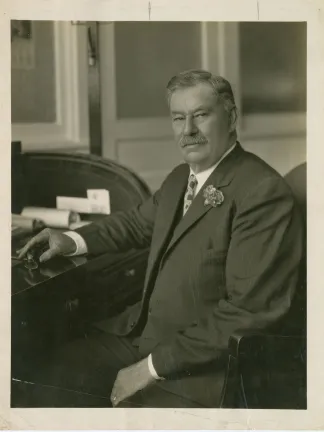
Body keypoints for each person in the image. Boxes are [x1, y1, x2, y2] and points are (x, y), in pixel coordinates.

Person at [17, 69, 304, 408]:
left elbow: (247, 311)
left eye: (200, 115)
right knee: (44, 373)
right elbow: (137, 224)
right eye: (178, 118)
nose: (188, 131)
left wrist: (148, 369)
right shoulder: (182, 177)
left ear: (230, 118)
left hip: (200, 369)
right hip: (141, 335)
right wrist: (72, 240)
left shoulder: (261, 192)